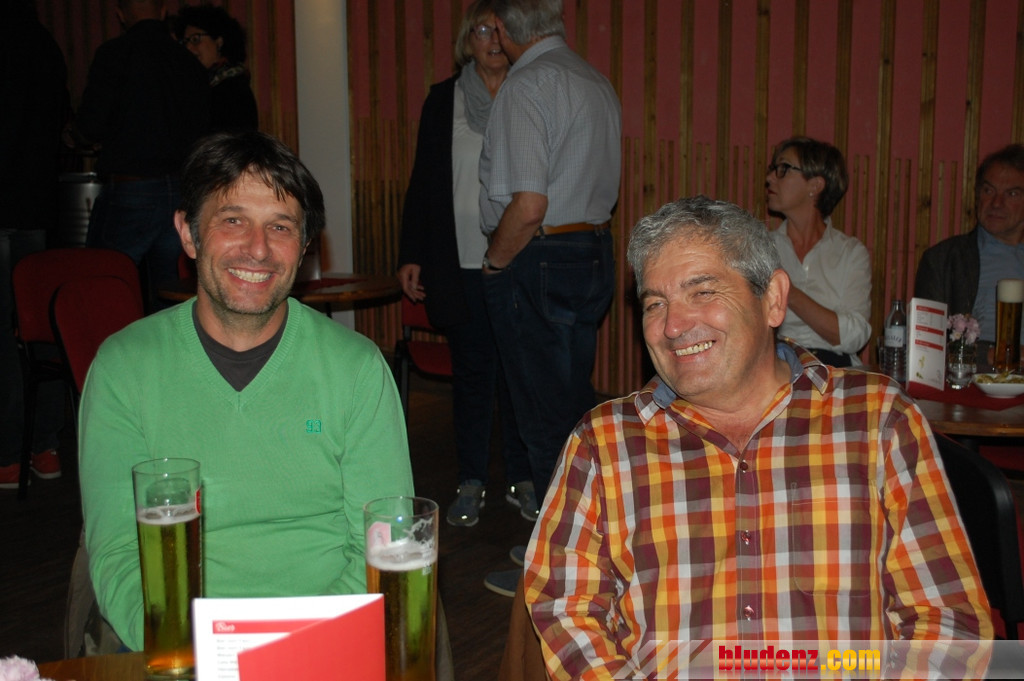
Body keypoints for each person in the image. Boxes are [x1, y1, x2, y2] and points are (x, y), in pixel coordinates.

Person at [524, 196, 993, 680]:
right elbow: (565, 606)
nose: (673, 326)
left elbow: (947, 620)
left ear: (772, 299)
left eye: (702, 292)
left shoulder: (876, 420)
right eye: (655, 304)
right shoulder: (605, 443)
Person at [78, 131, 414, 652]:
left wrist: (287, 654)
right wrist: (206, 654)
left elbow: (385, 546)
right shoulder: (124, 368)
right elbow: (120, 554)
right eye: (232, 220)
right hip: (178, 648)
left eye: (280, 227)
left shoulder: (357, 369)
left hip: (325, 643)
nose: (258, 249)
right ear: (188, 234)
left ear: (304, 248)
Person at [478, 0, 620, 595]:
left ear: (504, 29)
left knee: (541, 415)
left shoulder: (526, 84)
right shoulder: (594, 79)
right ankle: (587, 546)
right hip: (593, 250)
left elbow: (529, 204)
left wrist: (494, 262)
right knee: (571, 407)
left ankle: (557, 569)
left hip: (538, 256)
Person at [397, 1, 532, 527]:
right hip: (458, 262)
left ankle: (523, 480)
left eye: (501, 30)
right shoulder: (443, 99)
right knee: (473, 375)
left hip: (518, 260)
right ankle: (471, 481)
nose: (493, 40)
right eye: (482, 30)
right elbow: (423, 181)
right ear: (466, 40)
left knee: (518, 377)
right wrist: (411, 254)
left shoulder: (530, 91)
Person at [71, 0, 209, 312]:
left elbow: (91, 125)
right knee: (169, 292)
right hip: (182, 189)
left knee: (103, 284)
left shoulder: (114, 55)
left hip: (132, 186)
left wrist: (74, 136)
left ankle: (110, 343)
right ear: (162, 11)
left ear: (120, 14)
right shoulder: (187, 61)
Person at [0, 0, 70, 487]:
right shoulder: (46, 46)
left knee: (5, 338)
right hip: (38, 206)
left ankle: (8, 454)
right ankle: (45, 448)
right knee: (38, 329)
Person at [765, 136, 871, 367]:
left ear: (815, 185)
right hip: (777, 363)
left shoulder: (850, 252)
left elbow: (854, 336)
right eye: (773, 169)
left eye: (784, 169)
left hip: (835, 367)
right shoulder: (762, 247)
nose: (770, 178)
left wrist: (788, 292)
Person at [915, 143, 1024, 345]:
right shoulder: (943, 260)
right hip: (973, 363)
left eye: (1011, 194)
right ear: (977, 195)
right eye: (988, 190)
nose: (996, 203)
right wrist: (986, 354)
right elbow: (928, 346)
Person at [174, 4, 259, 132]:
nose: (189, 48)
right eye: (185, 42)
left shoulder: (232, 89)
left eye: (195, 39)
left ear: (219, 42)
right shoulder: (202, 85)